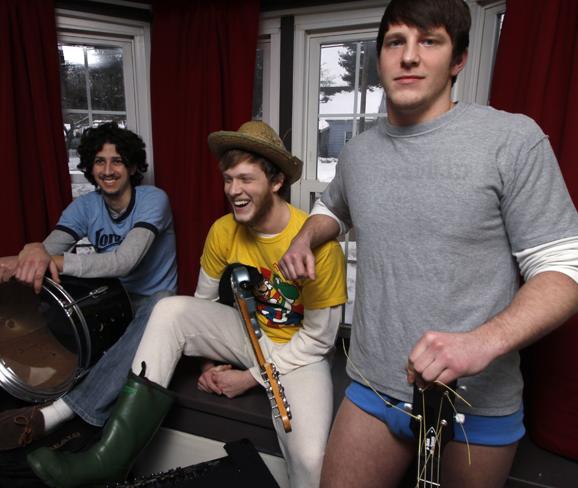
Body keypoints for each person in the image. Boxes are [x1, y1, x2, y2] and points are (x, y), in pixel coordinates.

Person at [278, 1, 578, 487]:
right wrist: (305, 239)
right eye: (396, 42)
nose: (410, 56)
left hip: (474, 403)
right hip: (374, 389)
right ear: (380, 58)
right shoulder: (358, 153)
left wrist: (480, 343)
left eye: (430, 41)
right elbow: (332, 209)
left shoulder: (512, 139)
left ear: (458, 59)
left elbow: (567, 268)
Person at [25, 121, 348, 488]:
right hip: (248, 335)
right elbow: (202, 306)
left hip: (300, 353)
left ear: (276, 183)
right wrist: (209, 363)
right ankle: (111, 456)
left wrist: (248, 379)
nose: (233, 190)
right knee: (168, 308)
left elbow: (319, 341)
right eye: (228, 179)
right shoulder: (223, 230)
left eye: (246, 179)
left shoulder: (318, 244)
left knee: (309, 459)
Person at [0, 122, 177, 468]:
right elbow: (48, 248)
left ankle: (60, 412)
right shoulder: (85, 206)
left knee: (164, 303)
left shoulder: (153, 199)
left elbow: (124, 261)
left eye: (117, 161)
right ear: (90, 167)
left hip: (143, 304)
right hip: (102, 301)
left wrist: (44, 257)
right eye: (100, 161)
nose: (108, 170)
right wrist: (18, 261)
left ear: (132, 167)